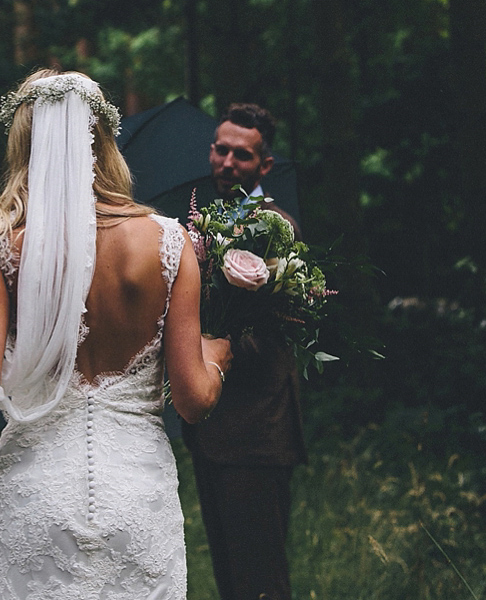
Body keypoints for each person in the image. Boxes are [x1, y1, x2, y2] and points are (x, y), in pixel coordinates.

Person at [0, 69, 232, 600]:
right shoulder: (168, 241)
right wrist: (219, 355)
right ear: (104, 142)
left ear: (25, 142)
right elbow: (192, 400)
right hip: (135, 496)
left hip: (34, 497)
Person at [181, 103, 306, 600]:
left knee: (261, 580)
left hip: (257, 429)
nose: (228, 162)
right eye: (220, 149)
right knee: (232, 578)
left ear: (264, 165)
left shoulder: (278, 228)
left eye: (242, 154)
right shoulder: (205, 224)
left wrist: (213, 343)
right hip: (211, 429)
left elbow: (279, 329)